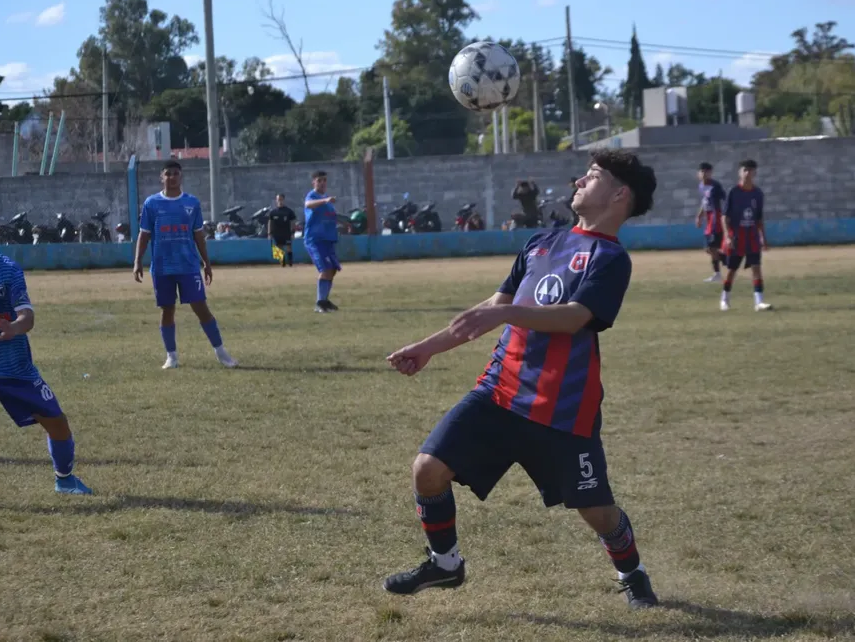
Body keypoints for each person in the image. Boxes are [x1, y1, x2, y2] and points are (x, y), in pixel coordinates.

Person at [382, 149, 661, 610]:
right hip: (499, 392)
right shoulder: (540, 243)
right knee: (427, 470)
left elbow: (574, 318)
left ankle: (632, 572)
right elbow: (486, 314)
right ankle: (445, 564)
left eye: (590, 177)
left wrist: (507, 311)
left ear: (619, 194)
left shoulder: (610, 259)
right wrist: (426, 347)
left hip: (563, 411)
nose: (578, 182)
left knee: (598, 512)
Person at [0, 205, 92, 495]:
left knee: (58, 423)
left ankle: (64, 480)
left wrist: (14, 327)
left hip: (12, 366)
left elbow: (27, 316)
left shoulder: (7, 270)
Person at [133, 160, 238, 369]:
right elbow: (143, 235)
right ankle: (171, 356)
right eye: (168, 174)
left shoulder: (192, 203)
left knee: (201, 308)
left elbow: (198, 235)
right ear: (161, 177)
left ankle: (221, 352)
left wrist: (206, 263)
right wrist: (137, 262)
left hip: (188, 266)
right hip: (163, 267)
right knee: (167, 310)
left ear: (181, 177)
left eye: (175, 174)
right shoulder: (151, 204)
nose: (171, 177)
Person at [720, 159, 772, 312]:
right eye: (745, 170)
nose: (748, 173)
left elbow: (759, 218)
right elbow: (724, 216)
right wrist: (727, 236)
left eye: (751, 170)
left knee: (756, 268)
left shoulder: (758, 194)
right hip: (737, 236)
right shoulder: (733, 192)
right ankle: (724, 298)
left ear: (755, 173)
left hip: (752, 236)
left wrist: (763, 237)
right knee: (732, 270)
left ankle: (759, 302)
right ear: (740, 172)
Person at [303, 170, 341, 313]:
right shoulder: (313, 196)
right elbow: (308, 204)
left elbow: (331, 216)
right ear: (314, 182)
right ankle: (319, 303)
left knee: (332, 269)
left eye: (324, 180)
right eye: (319, 180)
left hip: (328, 240)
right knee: (325, 269)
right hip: (315, 240)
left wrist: (344, 223)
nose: (323, 183)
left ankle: (324, 300)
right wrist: (324, 200)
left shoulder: (327, 199)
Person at [694, 162, 726, 282]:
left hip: (716, 217)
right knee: (709, 249)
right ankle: (726, 260)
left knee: (711, 247)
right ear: (698, 173)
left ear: (710, 173)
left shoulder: (715, 186)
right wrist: (699, 216)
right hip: (708, 218)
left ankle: (717, 273)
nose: (704, 174)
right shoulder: (701, 186)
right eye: (702, 171)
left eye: (706, 172)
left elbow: (725, 198)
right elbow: (704, 201)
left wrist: (726, 214)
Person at [268, 193, 297, 268]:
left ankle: (290, 262)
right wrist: (269, 233)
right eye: (278, 200)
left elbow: (293, 222)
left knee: (288, 247)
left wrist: (293, 232)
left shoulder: (289, 211)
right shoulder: (273, 212)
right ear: (276, 200)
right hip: (277, 233)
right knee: (279, 248)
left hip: (286, 232)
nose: (280, 201)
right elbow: (270, 222)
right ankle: (282, 263)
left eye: (281, 199)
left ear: (284, 200)